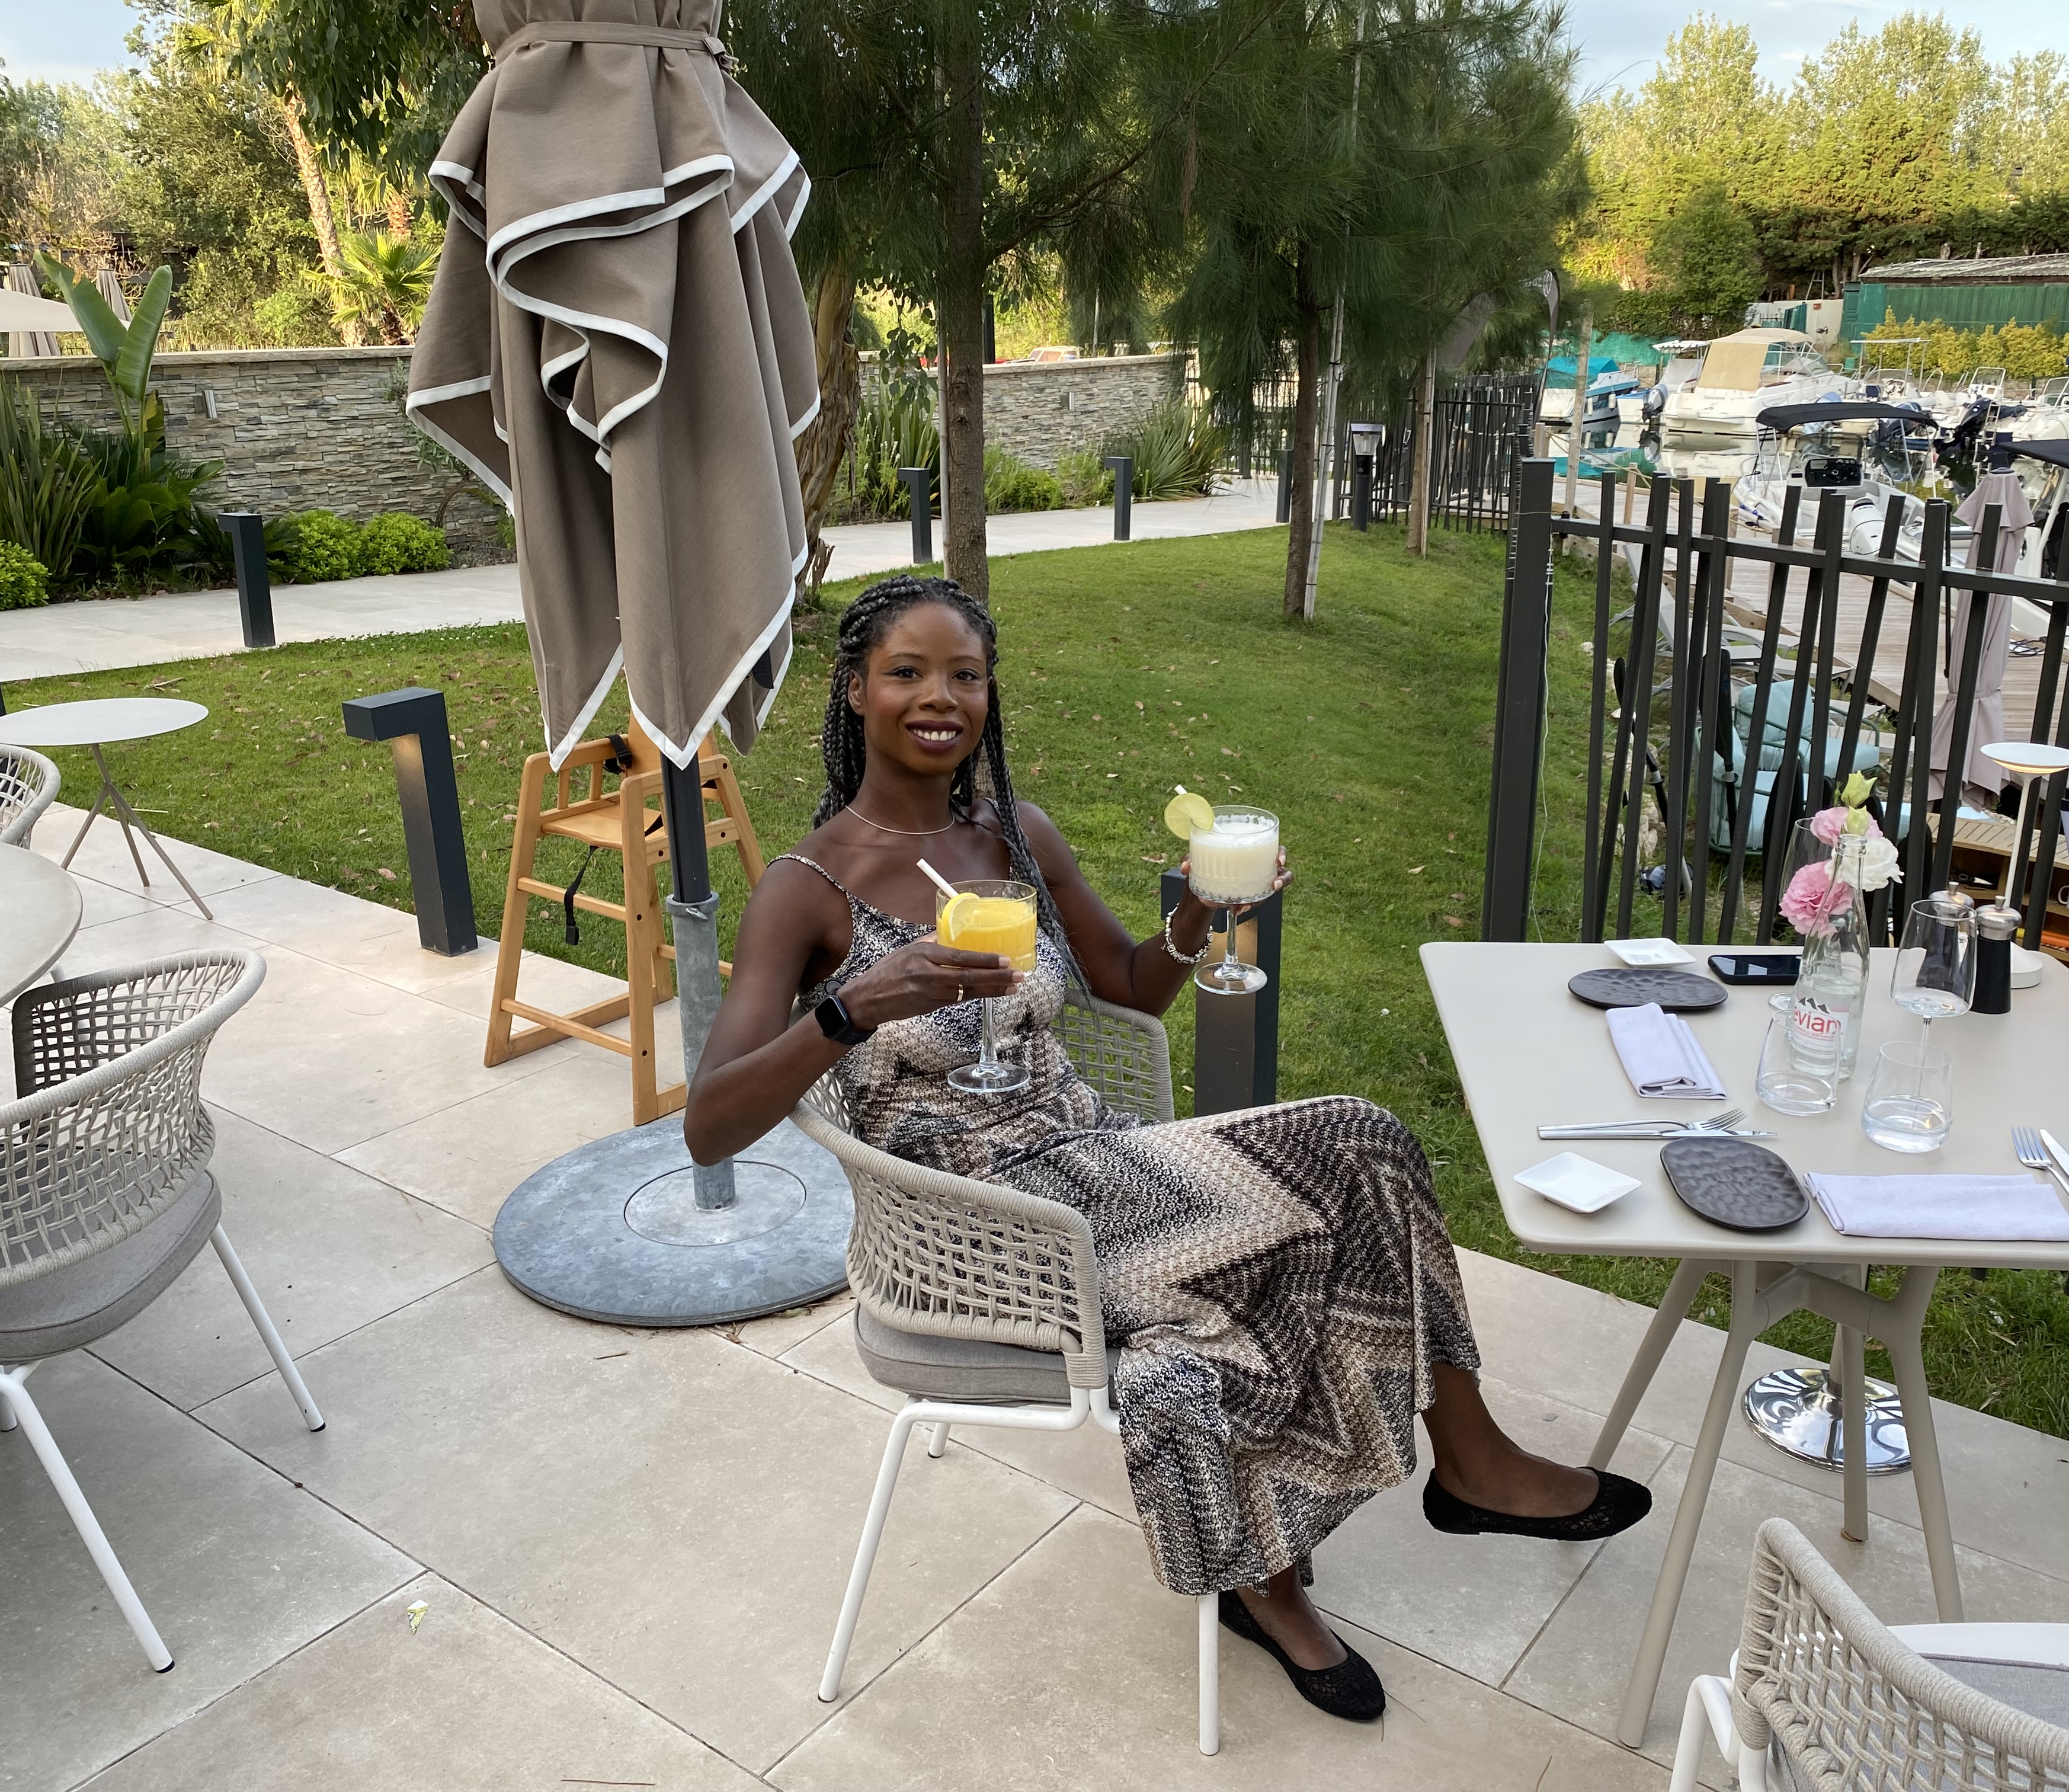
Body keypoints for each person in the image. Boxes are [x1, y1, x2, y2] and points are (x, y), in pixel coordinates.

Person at [686, 574, 1651, 1723]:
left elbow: (1130, 987)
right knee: (1343, 1159)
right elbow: (712, 1123)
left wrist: (1196, 914)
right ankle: (1354, 1526)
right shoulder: (805, 889)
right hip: (976, 1228)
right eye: (907, 673)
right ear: (855, 690)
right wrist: (851, 1009)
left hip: (1094, 1160)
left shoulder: (1014, 837)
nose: (939, 697)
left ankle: (1343, 1527)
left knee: (1345, 1179)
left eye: (965, 675)